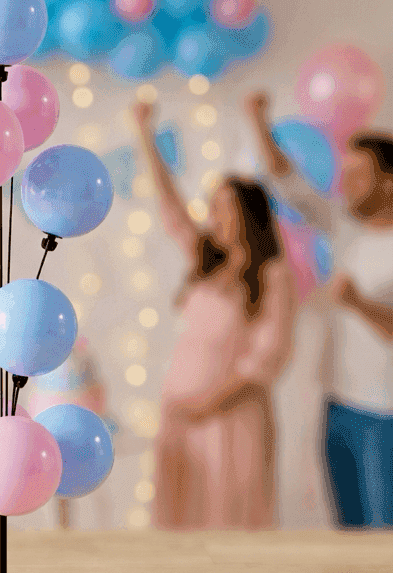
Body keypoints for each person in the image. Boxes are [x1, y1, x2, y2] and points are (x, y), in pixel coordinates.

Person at [134, 100, 296, 529]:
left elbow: (268, 358)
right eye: (212, 205)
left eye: (225, 206)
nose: (214, 215)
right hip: (182, 415)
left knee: (229, 520)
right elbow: (171, 209)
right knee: (180, 519)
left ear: (250, 214)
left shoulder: (273, 274)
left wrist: (208, 405)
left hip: (231, 417)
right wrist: (144, 135)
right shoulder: (206, 260)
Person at [246, 91, 393, 528]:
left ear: (389, 183)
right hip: (340, 404)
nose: (344, 184)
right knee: (348, 530)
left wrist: (358, 303)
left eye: (358, 176)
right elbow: (288, 183)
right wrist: (257, 119)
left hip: (384, 416)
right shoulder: (346, 226)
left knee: (383, 536)